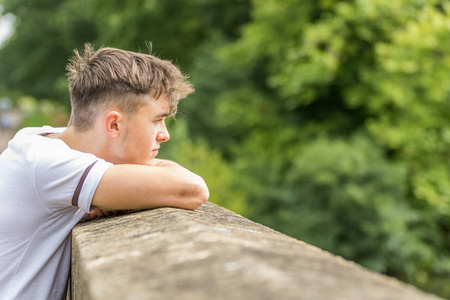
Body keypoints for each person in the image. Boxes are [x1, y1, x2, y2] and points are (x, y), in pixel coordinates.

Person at [0, 44, 209, 300]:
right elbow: (191, 189)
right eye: (156, 120)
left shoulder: (38, 142)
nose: (165, 135)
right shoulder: (51, 163)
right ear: (113, 124)